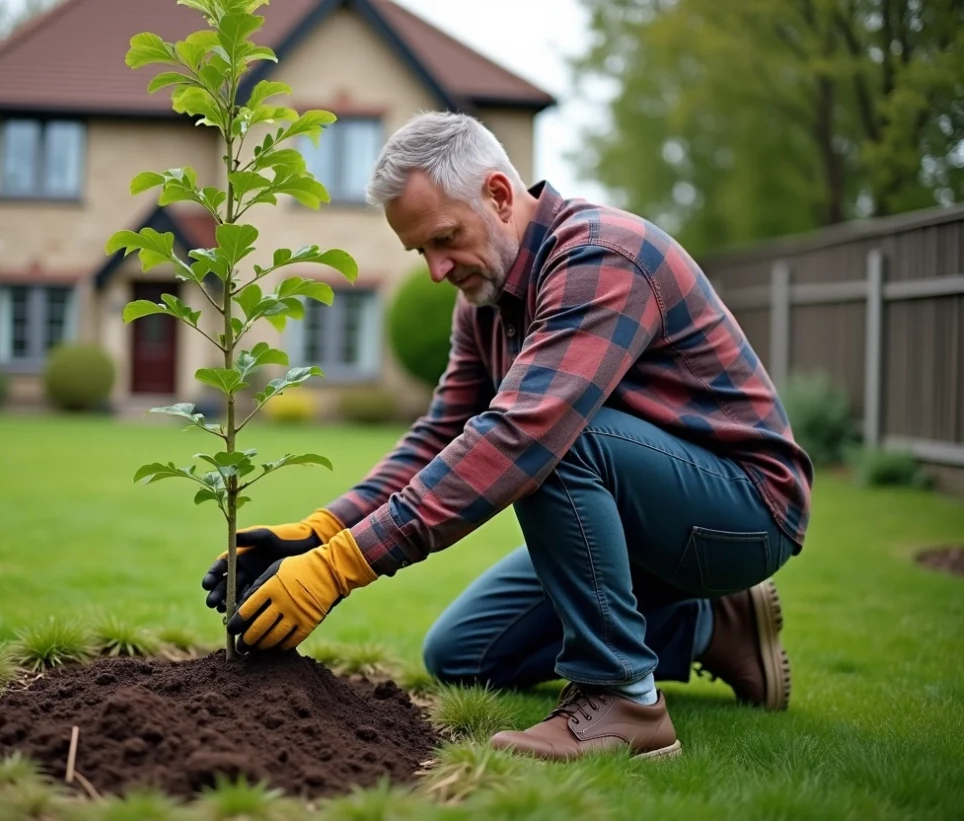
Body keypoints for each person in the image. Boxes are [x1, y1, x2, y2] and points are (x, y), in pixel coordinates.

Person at [205, 111, 814, 763]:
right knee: (462, 653)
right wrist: (321, 530)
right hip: (649, 521)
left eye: (444, 239)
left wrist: (343, 566)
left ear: (498, 195)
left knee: (550, 438)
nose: (436, 271)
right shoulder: (483, 304)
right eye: (420, 253)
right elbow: (440, 435)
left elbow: (520, 434)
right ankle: (710, 623)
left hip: (747, 508)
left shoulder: (599, 257)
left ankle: (623, 696)